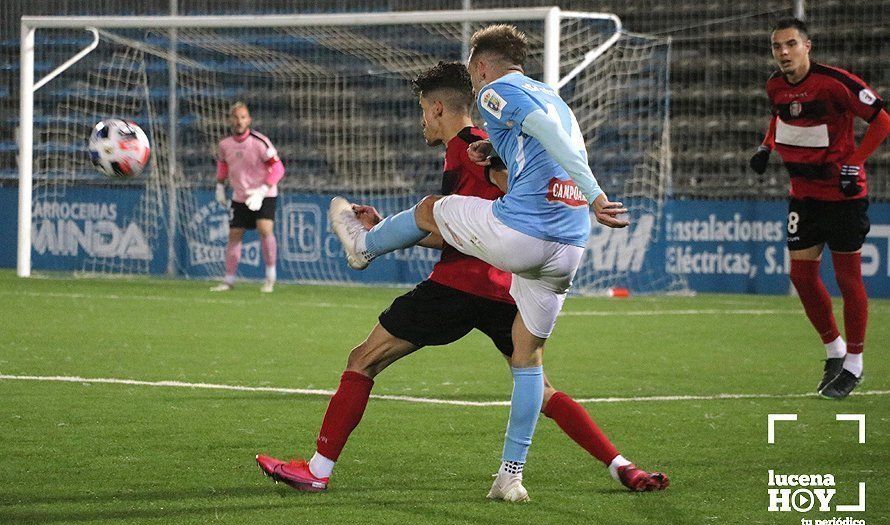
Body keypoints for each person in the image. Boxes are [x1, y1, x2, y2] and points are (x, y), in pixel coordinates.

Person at [256, 62, 667, 500]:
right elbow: (462, 228)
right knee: (540, 388)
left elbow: (500, 185)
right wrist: (397, 229)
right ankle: (623, 467)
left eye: (422, 111)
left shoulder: (471, 145)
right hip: (504, 287)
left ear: (437, 109)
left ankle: (317, 470)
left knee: (363, 360)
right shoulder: (476, 146)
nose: (421, 121)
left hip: (458, 286)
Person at [749, 18, 889, 399]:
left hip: (843, 197)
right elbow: (780, 116)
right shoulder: (775, 85)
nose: (783, 53)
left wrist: (855, 162)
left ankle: (855, 364)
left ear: (807, 46)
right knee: (802, 277)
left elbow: (881, 122)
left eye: (790, 44)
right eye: (777, 46)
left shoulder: (836, 84)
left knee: (847, 279)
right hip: (804, 195)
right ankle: (834, 351)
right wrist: (766, 147)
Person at [211, 102, 285, 293]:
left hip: (264, 193)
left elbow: (278, 168)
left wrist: (262, 190)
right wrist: (220, 185)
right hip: (240, 195)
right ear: (230, 120)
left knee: (264, 228)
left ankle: (270, 277)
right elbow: (223, 166)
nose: (239, 121)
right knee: (234, 234)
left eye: (243, 117)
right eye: (236, 117)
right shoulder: (224, 144)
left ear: (249, 120)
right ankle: (228, 280)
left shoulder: (260, 142)